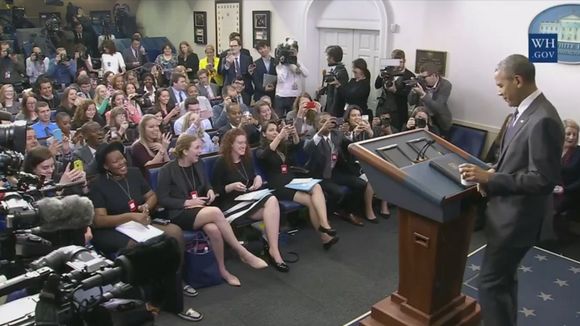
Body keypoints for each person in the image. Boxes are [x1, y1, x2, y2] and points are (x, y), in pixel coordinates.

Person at [459, 54, 564, 326]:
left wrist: (491, 180)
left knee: (490, 285)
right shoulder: (520, 113)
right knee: (503, 283)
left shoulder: (543, 119)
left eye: (501, 85)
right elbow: (514, 162)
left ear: (517, 80)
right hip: (507, 216)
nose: (498, 92)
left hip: (518, 220)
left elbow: (543, 179)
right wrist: (491, 172)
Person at [89, 142, 203, 322]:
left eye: (122, 158)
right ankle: (149, 298)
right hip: (112, 230)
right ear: (105, 166)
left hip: (139, 222)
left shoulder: (134, 173)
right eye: (115, 161)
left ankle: (175, 282)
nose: (122, 163)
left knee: (174, 233)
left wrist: (145, 208)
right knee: (141, 247)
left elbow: (152, 196)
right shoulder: (98, 185)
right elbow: (99, 220)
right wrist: (130, 216)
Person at [157, 134, 267, 285]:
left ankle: (222, 271)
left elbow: (207, 184)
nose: (200, 151)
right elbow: (163, 199)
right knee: (215, 212)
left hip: (201, 208)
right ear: (184, 151)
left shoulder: (199, 164)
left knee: (214, 230)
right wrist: (188, 202)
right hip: (180, 213)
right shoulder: (167, 170)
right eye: (197, 148)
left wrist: (209, 191)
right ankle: (243, 253)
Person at [212, 128, 287, 272]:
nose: (243, 146)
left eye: (245, 143)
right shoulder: (221, 163)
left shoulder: (246, 159)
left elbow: (253, 175)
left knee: (272, 203)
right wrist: (230, 186)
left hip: (247, 200)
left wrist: (258, 178)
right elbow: (216, 192)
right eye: (239, 143)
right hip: (230, 204)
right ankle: (273, 251)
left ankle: (273, 249)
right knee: (272, 201)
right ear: (230, 144)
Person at [257, 120, 339, 249]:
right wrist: (279, 136)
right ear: (263, 134)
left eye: (276, 130)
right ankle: (325, 237)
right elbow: (264, 155)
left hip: (292, 180)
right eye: (271, 130)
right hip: (279, 185)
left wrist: (295, 134)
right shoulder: (261, 149)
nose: (275, 132)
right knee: (310, 201)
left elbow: (298, 146)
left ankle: (325, 225)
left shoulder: (281, 146)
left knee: (317, 187)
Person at [304, 112, 370, 226]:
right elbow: (307, 149)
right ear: (316, 125)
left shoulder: (336, 134)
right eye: (323, 122)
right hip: (319, 174)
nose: (326, 124)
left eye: (329, 121)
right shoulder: (311, 135)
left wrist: (355, 133)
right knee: (338, 192)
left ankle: (348, 211)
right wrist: (320, 133)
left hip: (335, 171)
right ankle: (324, 216)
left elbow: (349, 143)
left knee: (361, 184)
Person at [552, 119, 580, 242]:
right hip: (548, 187)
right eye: (568, 134)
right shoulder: (553, 149)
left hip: (569, 192)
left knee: (550, 206)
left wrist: (564, 189)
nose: (571, 137)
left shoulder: (579, 153)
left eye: (575, 134)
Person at [375, 49, 415, 130]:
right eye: (396, 62)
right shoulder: (387, 70)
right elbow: (377, 85)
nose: (399, 65)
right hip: (383, 108)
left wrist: (395, 91)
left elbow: (408, 95)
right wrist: (380, 75)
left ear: (404, 61)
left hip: (398, 112)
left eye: (401, 62)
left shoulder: (410, 75)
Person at [408, 63, 452, 137]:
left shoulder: (445, 85)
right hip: (423, 118)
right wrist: (413, 91)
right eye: (420, 77)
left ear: (434, 75)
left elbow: (438, 107)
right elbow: (411, 102)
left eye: (424, 77)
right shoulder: (420, 82)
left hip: (439, 120)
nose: (422, 80)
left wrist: (423, 94)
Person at [275, 38, 309, 117]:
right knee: (279, 118)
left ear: (297, 52)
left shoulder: (299, 62)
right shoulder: (281, 64)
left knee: (293, 118)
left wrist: (296, 64)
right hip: (282, 96)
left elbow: (306, 74)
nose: (292, 53)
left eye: (293, 51)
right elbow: (281, 79)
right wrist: (286, 65)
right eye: (290, 52)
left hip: (295, 96)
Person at [219, 38, 254, 105]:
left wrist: (251, 72)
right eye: (231, 46)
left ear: (240, 47)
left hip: (245, 89)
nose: (233, 48)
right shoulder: (225, 59)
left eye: (235, 46)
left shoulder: (247, 59)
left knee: (245, 109)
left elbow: (250, 75)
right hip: (231, 90)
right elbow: (222, 73)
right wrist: (228, 64)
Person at [321, 45, 349, 117]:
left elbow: (343, 93)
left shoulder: (342, 72)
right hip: (330, 107)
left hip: (336, 110)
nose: (326, 58)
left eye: (327, 56)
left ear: (332, 57)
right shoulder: (334, 69)